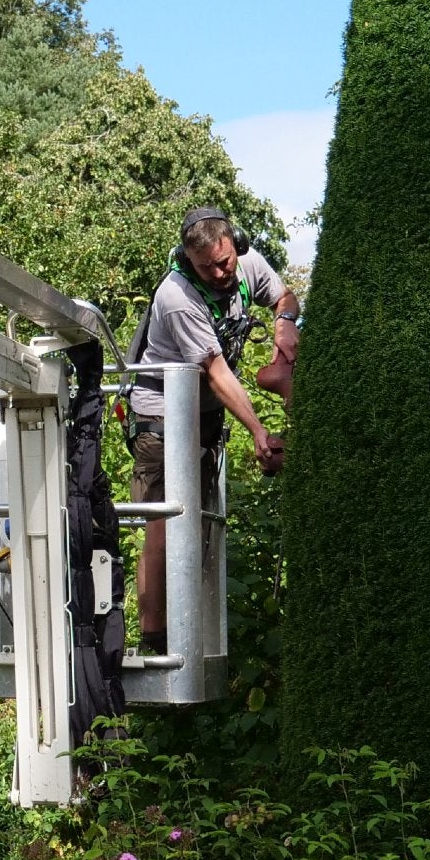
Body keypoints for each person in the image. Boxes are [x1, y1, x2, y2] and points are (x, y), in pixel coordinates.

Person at [121, 207, 299, 654]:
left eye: (225, 262)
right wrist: (258, 432)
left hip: (202, 416)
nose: (220, 274)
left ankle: (193, 635)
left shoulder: (246, 264)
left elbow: (285, 295)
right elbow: (216, 373)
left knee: (199, 525)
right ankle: (155, 641)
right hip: (160, 415)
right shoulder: (177, 296)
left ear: (234, 244)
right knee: (165, 522)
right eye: (207, 267)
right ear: (189, 259)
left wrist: (285, 323)